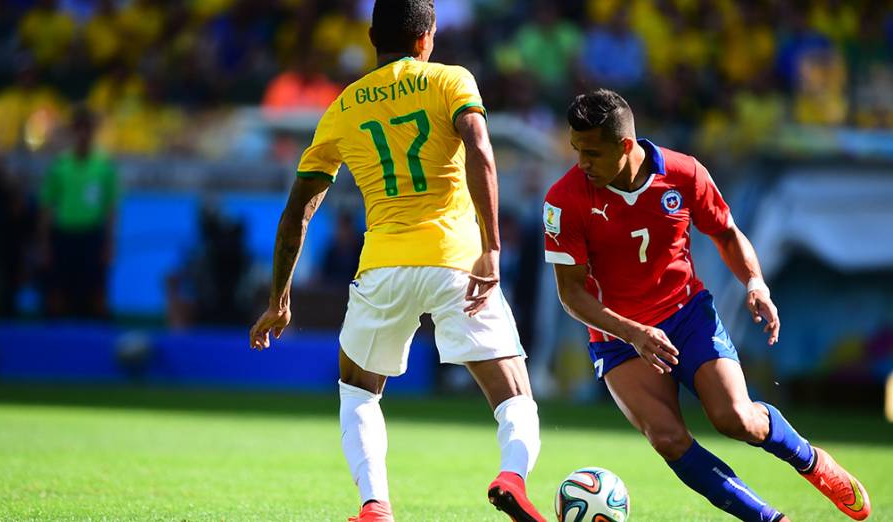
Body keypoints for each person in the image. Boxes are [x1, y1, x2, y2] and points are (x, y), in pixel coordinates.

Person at [249, 2, 546, 521]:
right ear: (425, 38)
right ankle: (512, 477)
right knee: (513, 392)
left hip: (383, 266)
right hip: (458, 262)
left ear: (371, 37)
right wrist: (493, 248)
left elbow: (298, 209)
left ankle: (374, 506)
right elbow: (479, 149)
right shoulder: (451, 80)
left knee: (358, 389)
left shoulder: (343, 107)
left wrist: (279, 298)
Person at [543, 89, 871, 522]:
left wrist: (755, 282)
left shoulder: (684, 173)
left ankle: (811, 461)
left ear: (625, 145)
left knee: (735, 418)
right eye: (576, 150)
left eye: (592, 153)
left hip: (686, 314)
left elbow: (726, 233)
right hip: (620, 336)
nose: (581, 163)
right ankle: (769, 520)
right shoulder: (564, 200)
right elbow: (571, 294)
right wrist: (633, 332)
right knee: (667, 438)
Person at [40, 106, 119, 318]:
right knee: (59, 293)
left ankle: (95, 339)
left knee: (96, 294)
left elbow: (111, 208)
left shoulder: (103, 167)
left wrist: (110, 243)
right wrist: (45, 243)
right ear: (72, 132)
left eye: (88, 130)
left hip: (92, 234)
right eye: (79, 129)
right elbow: (47, 206)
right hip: (64, 234)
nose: (83, 135)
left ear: (93, 133)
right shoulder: (60, 167)